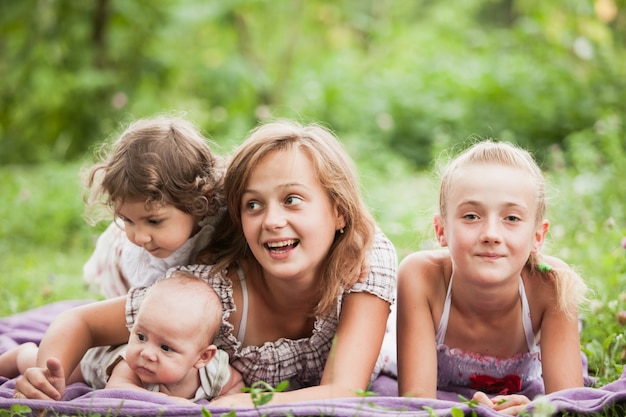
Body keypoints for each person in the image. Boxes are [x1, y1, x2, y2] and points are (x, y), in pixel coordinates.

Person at [14, 120, 398, 407]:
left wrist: (234, 405)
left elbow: (343, 391)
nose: (271, 220)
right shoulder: (212, 291)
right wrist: (44, 374)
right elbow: (80, 321)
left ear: (339, 212)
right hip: (154, 318)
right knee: (106, 363)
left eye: (293, 199)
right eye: (253, 204)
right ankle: (21, 355)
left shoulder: (362, 262)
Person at [395, 140, 588, 415]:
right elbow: (417, 404)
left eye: (511, 218)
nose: (491, 234)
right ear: (441, 230)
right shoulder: (420, 277)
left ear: (537, 236)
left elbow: (568, 404)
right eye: (472, 216)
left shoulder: (552, 286)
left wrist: (532, 407)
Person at [2, 271, 244, 402]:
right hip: (92, 362)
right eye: (140, 336)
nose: (146, 353)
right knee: (51, 375)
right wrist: (176, 404)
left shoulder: (213, 371)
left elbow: (235, 384)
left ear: (202, 357)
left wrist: (229, 399)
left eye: (166, 348)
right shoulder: (131, 367)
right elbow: (117, 390)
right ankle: (19, 355)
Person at [81, 114, 225, 298]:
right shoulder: (145, 261)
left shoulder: (224, 214)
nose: (140, 237)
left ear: (201, 200)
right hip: (118, 269)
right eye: (127, 220)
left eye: (154, 221)